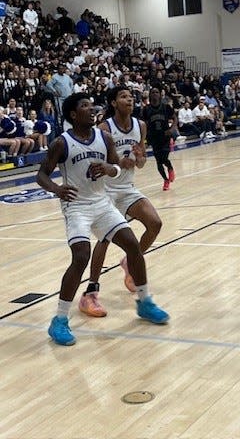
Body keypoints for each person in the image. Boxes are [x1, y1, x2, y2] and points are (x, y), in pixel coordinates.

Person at [36, 93, 169, 346]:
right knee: (81, 257)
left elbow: (117, 166)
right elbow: (41, 174)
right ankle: (60, 320)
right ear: (74, 115)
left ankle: (144, 302)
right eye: (84, 106)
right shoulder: (61, 143)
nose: (91, 109)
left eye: (91, 105)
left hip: (102, 203)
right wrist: (56, 189)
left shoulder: (104, 137)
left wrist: (111, 169)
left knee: (132, 245)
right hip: (76, 206)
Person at [78, 86, 163, 317]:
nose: (130, 99)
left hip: (126, 189)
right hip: (105, 191)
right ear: (114, 103)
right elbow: (94, 166)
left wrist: (140, 158)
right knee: (104, 240)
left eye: (131, 96)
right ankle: (90, 294)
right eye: (124, 96)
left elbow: (142, 161)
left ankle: (129, 262)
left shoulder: (140, 126)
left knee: (155, 223)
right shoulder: (104, 129)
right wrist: (116, 166)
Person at [142, 87, 176, 191]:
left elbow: (175, 118)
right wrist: (144, 139)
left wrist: (172, 128)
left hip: (165, 136)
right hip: (153, 137)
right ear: (150, 95)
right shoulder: (146, 109)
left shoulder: (166, 107)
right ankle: (165, 180)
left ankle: (170, 168)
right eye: (153, 92)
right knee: (158, 161)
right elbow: (143, 124)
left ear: (160, 95)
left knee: (164, 158)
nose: (155, 94)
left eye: (157, 92)